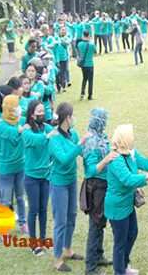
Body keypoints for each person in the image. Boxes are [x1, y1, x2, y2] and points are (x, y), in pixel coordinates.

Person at [105, 124, 148, 275]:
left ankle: (124, 265)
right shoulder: (115, 158)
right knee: (120, 243)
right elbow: (127, 179)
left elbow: (147, 164)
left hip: (127, 204)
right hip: (117, 207)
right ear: (125, 138)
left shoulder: (130, 153)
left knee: (133, 232)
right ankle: (119, 271)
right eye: (131, 135)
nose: (133, 138)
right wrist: (147, 177)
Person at [48, 102, 89, 272]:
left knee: (71, 216)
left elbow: (82, 152)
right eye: (72, 116)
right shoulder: (53, 138)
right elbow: (64, 159)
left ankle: (68, 249)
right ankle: (57, 259)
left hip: (71, 181)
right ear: (67, 118)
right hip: (58, 184)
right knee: (61, 222)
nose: (74, 119)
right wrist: (79, 145)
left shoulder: (74, 135)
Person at [82, 108, 114, 275]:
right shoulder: (90, 141)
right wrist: (106, 159)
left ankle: (99, 255)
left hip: (104, 185)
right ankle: (90, 266)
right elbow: (90, 170)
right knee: (95, 225)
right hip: (96, 187)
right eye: (103, 120)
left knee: (101, 223)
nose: (104, 123)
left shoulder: (101, 137)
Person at [22, 100, 53, 256]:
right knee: (33, 209)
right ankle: (33, 244)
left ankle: (43, 239)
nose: (43, 113)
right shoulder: (27, 131)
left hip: (45, 176)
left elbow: (56, 134)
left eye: (43, 111)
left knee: (43, 209)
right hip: (32, 177)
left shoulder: (46, 128)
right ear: (32, 114)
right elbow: (37, 141)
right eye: (39, 111)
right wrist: (49, 135)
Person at [0, 94, 27, 234]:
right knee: (5, 200)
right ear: (8, 109)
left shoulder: (23, 120)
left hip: (20, 166)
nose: (18, 109)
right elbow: (12, 133)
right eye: (15, 106)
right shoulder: (1, 124)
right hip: (6, 169)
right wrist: (21, 129)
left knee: (20, 197)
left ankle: (23, 223)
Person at [77, 30, 96, 101]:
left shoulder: (79, 44)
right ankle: (90, 95)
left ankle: (82, 93)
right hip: (90, 64)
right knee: (90, 80)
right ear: (89, 36)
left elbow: (79, 51)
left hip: (83, 65)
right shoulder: (91, 44)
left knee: (84, 79)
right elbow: (95, 51)